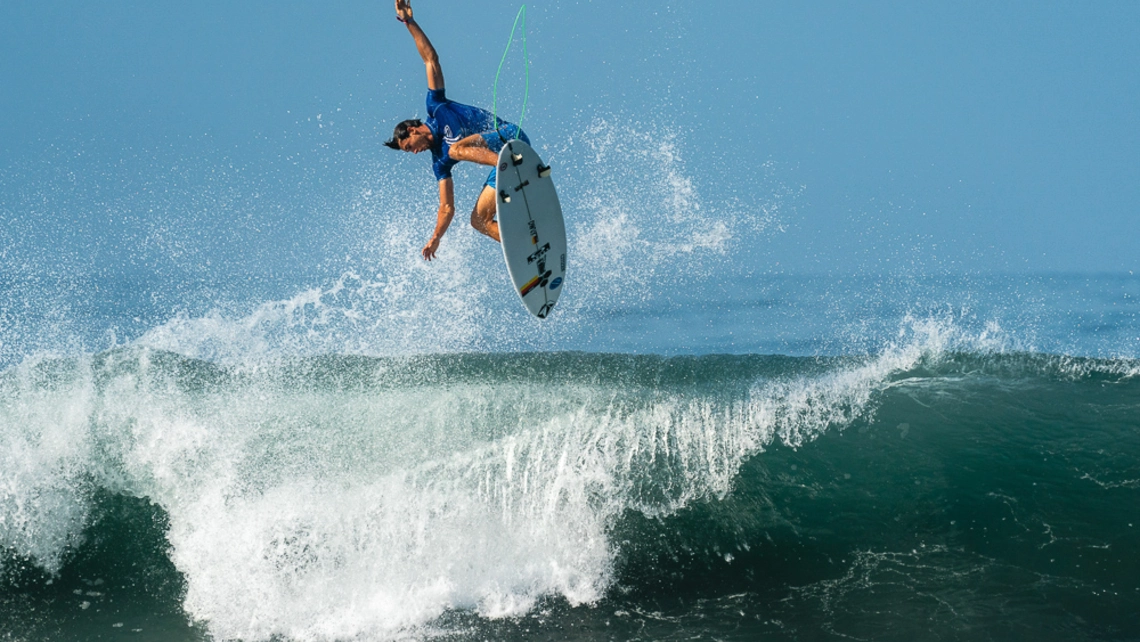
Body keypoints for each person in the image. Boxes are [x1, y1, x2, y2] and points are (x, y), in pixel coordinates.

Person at [385, 0, 530, 261]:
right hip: (504, 165)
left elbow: (430, 59)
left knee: (456, 149)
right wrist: (435, 238)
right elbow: (447, 207)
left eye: (410, 147)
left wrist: (409, 22)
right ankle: (526, 247)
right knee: (479, 220)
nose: (415, 153)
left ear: (414, 129)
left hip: (510, 138)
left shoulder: (436, 107)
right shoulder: (439, 162)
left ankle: (510, 167)